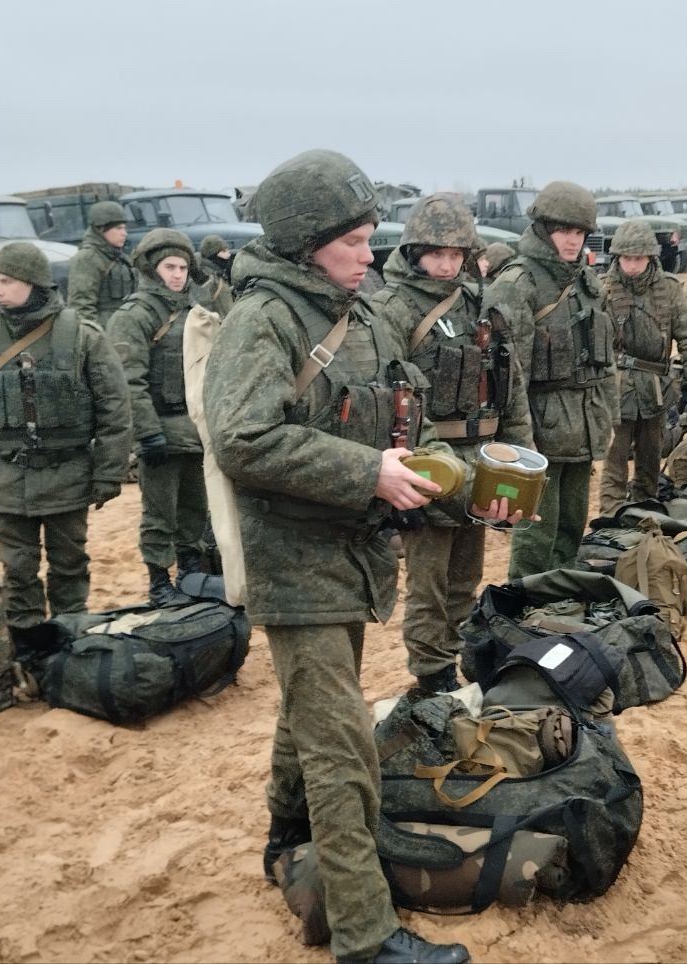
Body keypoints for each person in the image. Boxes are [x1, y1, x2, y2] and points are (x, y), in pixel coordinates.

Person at [203, 149, 487, 964]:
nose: (372, 253)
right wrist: (369, 473)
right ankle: (365, 935)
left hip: (353, 552)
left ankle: (285, 835)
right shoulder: (265, 319)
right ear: (305, 242)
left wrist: (451, 475)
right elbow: (243, 438)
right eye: (356, 240)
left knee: (310, 715)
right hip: (296, 561)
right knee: (342, 746)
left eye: (370, 238)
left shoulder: (358, 313)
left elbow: (397, 417)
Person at [371, 194, 533, 693]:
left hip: (481, 458)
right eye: (436, 253)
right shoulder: (390, 310)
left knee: (466, 571)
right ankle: (430, 670)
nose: (446, 263)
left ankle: (460, 651)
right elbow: (381, 391)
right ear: (415, 251)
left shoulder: (478, 304)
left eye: (456, 254)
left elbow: (509, 384)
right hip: (427, 462)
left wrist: (521, 457)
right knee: (428, 582)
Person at [0, 242, 131, 654]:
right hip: (3, 480)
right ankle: (28, 648)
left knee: (70, 564)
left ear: (33, 284)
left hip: (68, 476)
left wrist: (108, 472)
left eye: (6, 281)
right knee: (17, 570)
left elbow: (114, 409)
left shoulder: (82, 335)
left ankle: (69, 643)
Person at [485, 181, 617, 578]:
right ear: (544, 230)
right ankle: (525, 609)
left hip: (583, 425)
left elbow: (605, 359)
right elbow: (509, 377)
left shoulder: (585, 282)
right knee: (536, 534)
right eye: (564, 231)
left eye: (579, 232)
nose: (573, 240)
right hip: (540, 430)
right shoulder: (517, 285)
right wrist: (519, 444)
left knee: (571, 528)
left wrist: (608, 416)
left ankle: (560, 603)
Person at [107, 228, 209, 607]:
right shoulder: (134, 316)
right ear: (152, 268)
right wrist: (148, 434)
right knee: (159, 515)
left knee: (195, 511)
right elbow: (127, 381)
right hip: (161, 433)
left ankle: (191, 573)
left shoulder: (197, 314)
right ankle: (158, 582)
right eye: (170, 266)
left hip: (197, 432)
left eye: (183, 267)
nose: (178, 274)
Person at [599, 219, 687, 513]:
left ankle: (644, 511)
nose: (632, 265)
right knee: (615, 459)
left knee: (650, 458)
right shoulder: (602, 291)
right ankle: (611, 516)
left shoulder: (669, 289)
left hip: (657, 388)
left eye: (639, 258)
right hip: (616, 387)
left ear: (650, 258)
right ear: (617, 258)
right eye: (627, 258)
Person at [66, 200, 138, 327]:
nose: (124, 233)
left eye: (124, 228)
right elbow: (82, 307)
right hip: (105, 334)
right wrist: (97, 339)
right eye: (118, 228)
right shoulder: (87, 259)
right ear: (101, 229)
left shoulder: (121, 258)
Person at [195, 234, 236, 315]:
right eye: (224, 251)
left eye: (228, 250)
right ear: (213, 254)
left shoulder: (217, 272)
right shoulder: (207, 276)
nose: (228, 254)